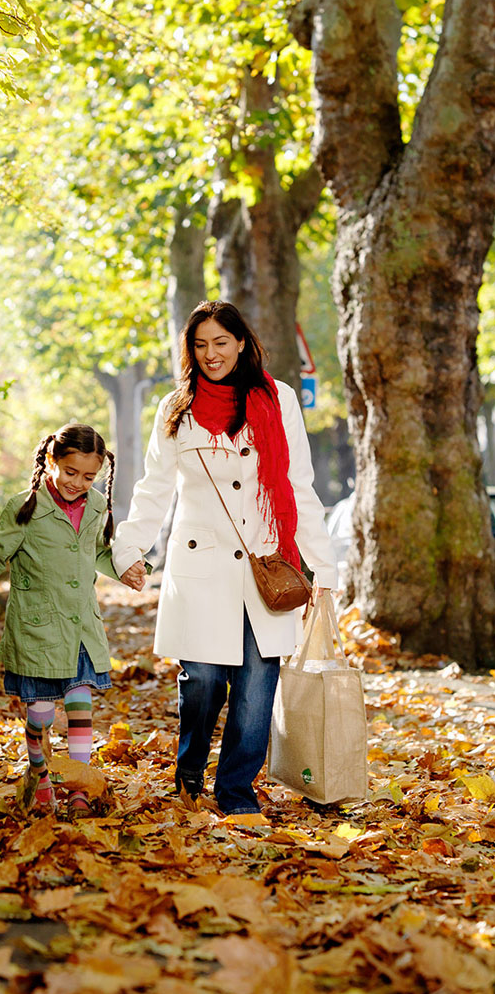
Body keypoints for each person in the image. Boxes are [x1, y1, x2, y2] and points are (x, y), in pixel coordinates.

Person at [114, 302, 338, 817]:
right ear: (190, 351)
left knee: (257, 692)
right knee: (205, 682)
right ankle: (190, 766)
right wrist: (131, 548)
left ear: (241, 342)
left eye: (220, 341)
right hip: (200, 570)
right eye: (200, 344)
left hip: (266, 570)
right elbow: (153, 490)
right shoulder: (176, 409)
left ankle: (236, 793)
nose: (211, 353)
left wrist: (323, 567)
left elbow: (299, 487)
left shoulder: (277, 400)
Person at [0, 424, 141, 818]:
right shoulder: (26, 508)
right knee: (40, 715)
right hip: (38, 629)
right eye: (70, 472)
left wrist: (128, 569)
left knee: (80, 703)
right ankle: (39, 767)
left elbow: (99, 551)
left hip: (80, 628)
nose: (78, 483)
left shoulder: (98, 506)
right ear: (51, 461)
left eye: (89, 477)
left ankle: (79, 788)